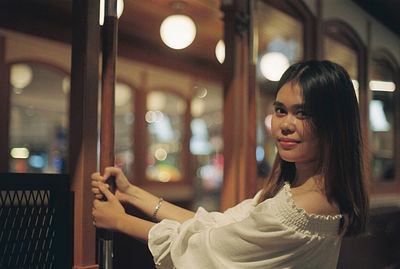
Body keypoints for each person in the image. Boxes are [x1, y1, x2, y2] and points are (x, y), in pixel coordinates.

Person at [91, 60, 369, 269]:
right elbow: (217, 224)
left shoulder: (301, 209)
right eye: (280, 110)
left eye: (303, 113)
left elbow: (205, 249)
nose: (285, 124)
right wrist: (132, 194)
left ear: (334, 124)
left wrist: (120, 220)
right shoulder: (295, 192)